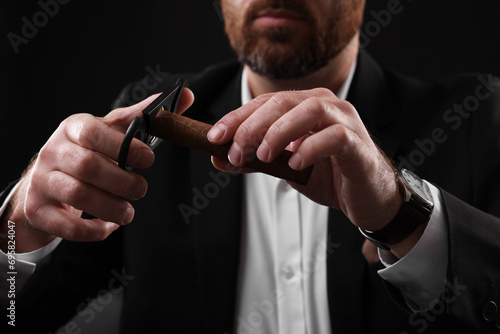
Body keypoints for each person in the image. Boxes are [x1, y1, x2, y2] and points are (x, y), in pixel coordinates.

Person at [1, 0, 500, 333]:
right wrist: (16, 229)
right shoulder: (149, 123)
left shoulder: (476, 118)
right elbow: (15, 316)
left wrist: (401, 215)